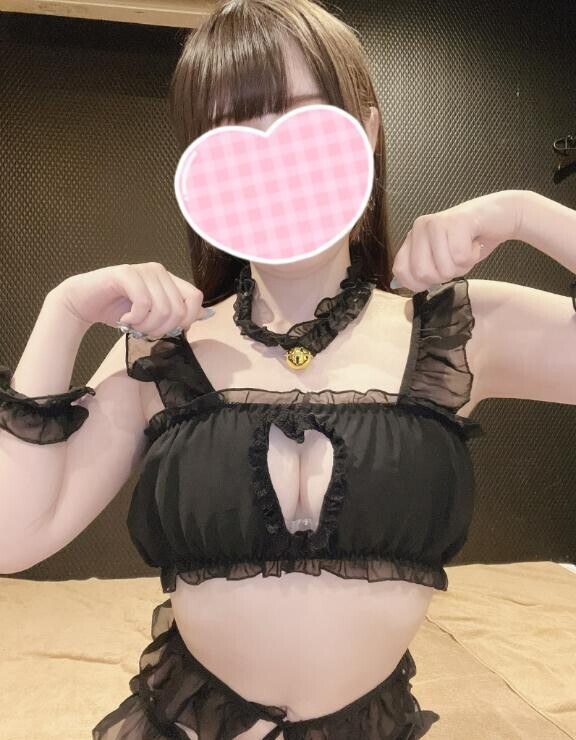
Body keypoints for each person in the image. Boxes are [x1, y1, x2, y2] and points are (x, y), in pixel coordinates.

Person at [1, 1, 575, 738]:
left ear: (367, 132)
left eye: (302, 118)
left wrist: (525, 214)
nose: (270, 159)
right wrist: (63, 311)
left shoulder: (456, 332)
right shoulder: (164, 352)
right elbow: (15, 537)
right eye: (230, 132)